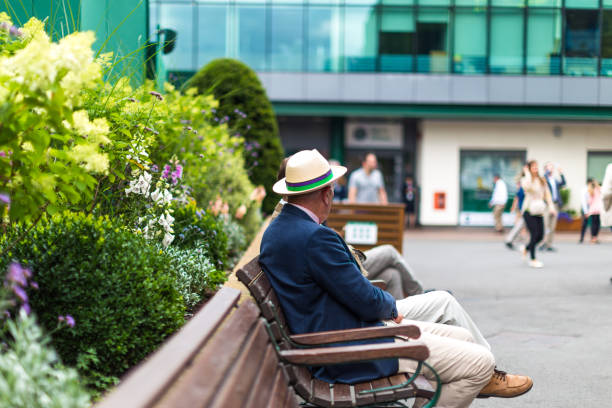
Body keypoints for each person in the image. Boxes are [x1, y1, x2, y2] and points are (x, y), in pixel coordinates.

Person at [260, 149, 533, 408]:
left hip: (341, 335)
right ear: (327, 193)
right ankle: (484, 376)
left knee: (463, 335)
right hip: (353, 348)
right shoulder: (314, 237)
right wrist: (390, 311)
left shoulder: (279, 230)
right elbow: (365, 300)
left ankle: (479, 378)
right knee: (480, 363)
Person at [273, 156, 423, 299]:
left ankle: (403, 317)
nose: (330, 191)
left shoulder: (289, 216)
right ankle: (418, 295)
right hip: (345, 275)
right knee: (390, 252)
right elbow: (343, 279)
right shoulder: (298, 222)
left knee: (392, 274)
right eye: (328, 187)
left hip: (340, 274)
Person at [521, 160, 555, 268]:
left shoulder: (542, 180)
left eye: (536, 166)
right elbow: (527, 187)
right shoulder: (526, 179)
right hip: (528, 211)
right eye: (533, 167)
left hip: (539, 210)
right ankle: (533, 259)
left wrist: (551, 208)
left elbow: (548, 195)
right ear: (529, 168)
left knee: (540, 237)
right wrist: (527, 174)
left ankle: (526, 248)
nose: (535, 168)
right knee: (534, 234)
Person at [540, 162, 566, 251]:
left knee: (552, 226)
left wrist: (561, 173)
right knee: (546, 225)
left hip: (555, 205)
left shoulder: (554, 180)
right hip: (547, 205)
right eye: (549, 166)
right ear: (546, 169)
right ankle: (543, 243)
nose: (551, 168)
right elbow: (543, 177)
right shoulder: (544, 179)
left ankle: (549, 245)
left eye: (552, 167)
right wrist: (548, 171)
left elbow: (563, 183)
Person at [505, 181, 526, 250]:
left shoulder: (524, 187)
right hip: (524, 209)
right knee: (520, 224)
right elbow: (517, 198)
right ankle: (512, 239)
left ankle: (511, 239)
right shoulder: (523, 188)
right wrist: (513, 207)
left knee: (520, 224)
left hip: (525, 208)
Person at [586, 180, 603, 244]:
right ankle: (595, 237)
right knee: (597, 224)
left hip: (593, 210)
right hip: (598, 209)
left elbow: (589, 202)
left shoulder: (591, 191)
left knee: (593, 224)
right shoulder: (599, 190)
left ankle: (593, 237)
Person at [579, 178, 593, 244]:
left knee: (593, 224)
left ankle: (593, 238)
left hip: (592, 208)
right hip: (586, 209)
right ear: (589, 183)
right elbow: (583, 201)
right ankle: (581, 238)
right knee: (584, 224)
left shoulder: (592, 190)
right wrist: (586, 212)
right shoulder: (584, 190)